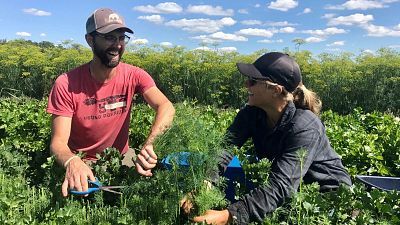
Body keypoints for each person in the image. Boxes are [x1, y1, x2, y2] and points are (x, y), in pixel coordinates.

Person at [192, 52, 352, 224]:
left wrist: (229, 216)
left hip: (325, 200)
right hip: (292, 194)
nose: (246, 84)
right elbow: (223, 149)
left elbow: (281, 185)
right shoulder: (251, 114)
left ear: (275, 90)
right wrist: (205, 183)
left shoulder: (305, 126)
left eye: (253, 81)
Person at [47, 8, 175, 197]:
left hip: (121, 157)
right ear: (90, 40)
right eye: (109, 37)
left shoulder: (135, 75)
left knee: (153, 191)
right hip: (82, 161)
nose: (117, 45)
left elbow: (166, 106)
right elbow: (58, 143)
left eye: (121, 38)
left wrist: (150, 144)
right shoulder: (66, 83)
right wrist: (71, 162)